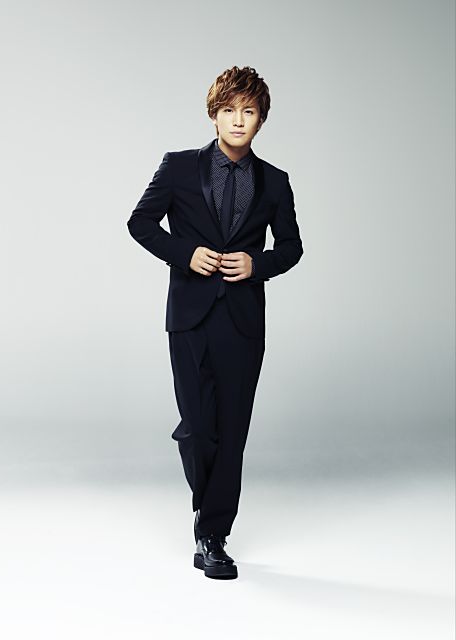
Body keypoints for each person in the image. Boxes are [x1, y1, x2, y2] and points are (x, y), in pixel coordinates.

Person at [127, 65, 304, 579]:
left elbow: (291, 248)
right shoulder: (178, 167)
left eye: (249, 111)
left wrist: (257, 264)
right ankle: (206, 506)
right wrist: (185, 254)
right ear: (214, 115)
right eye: (229, 110)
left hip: (243, 321)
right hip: (189, 317)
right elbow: (140, 223)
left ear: (261, 119)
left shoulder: (275, 182)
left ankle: (213, 534)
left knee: (232, 430)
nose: (238, 120)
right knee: (199, 428)